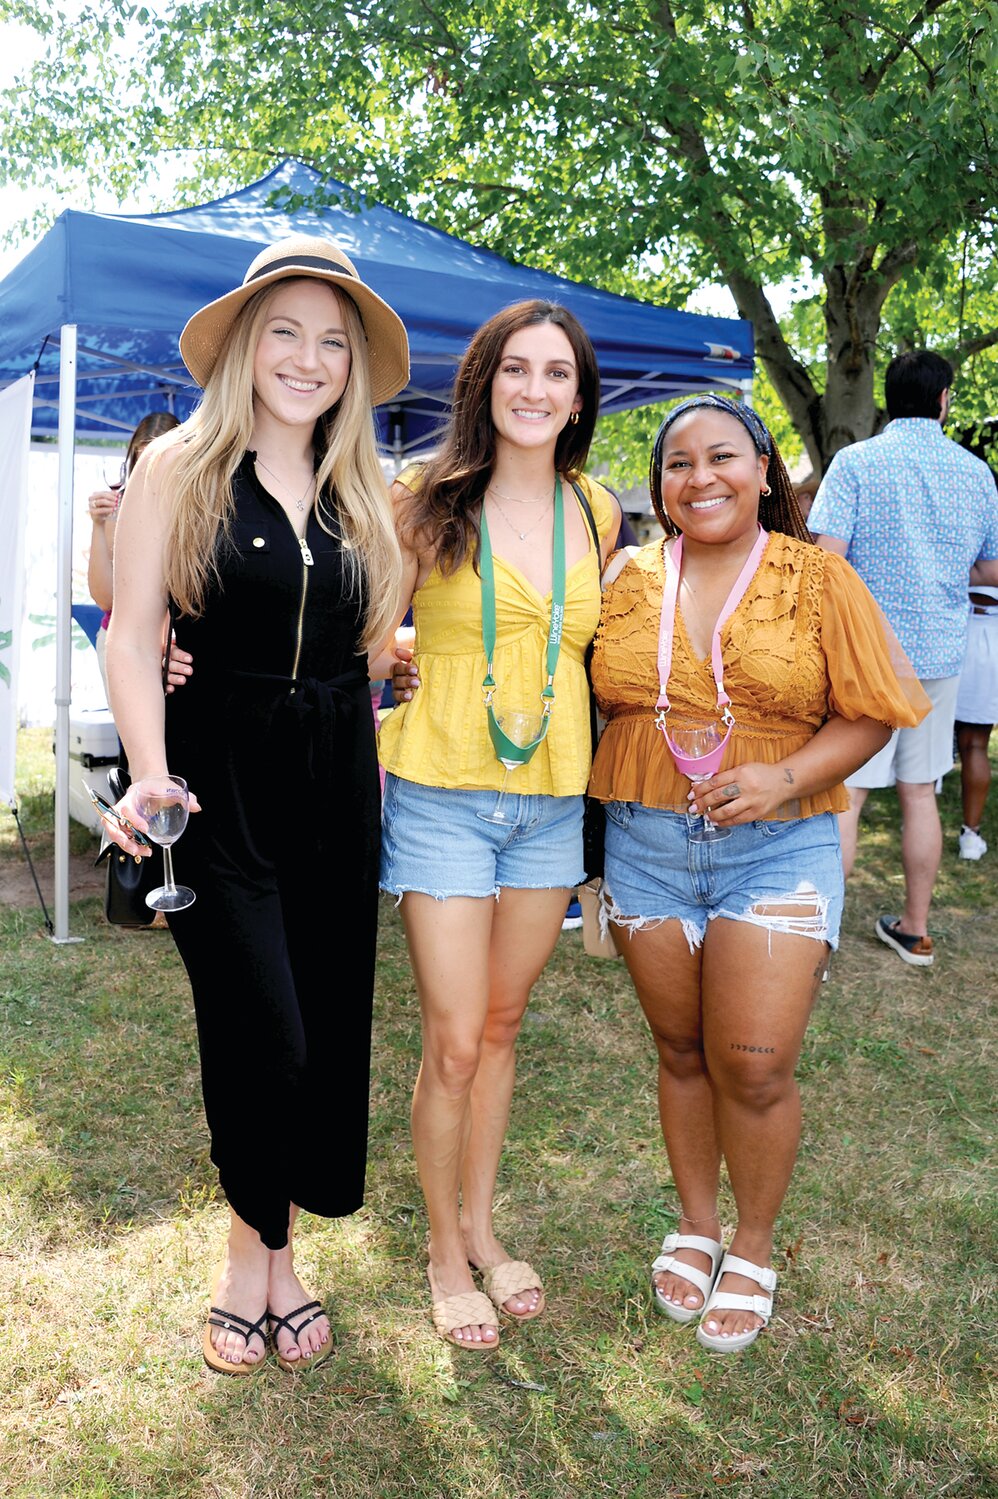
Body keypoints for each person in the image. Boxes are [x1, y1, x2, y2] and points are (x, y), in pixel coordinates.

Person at [101, 235, 410, 1374]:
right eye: (285, 329)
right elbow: (131, 635)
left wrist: (390, 663)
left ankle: (282, 1256)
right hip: (214, 774)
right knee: (261, 1028)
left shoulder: (364, 486)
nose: (309, 357)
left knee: (325, 1024)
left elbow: (371, 643)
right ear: (242, 341)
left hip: (336, 770)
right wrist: (147, 767)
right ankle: (249, 1254)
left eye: (332, 341)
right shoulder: (178, 466)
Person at [589, 394, 928, 1352]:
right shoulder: (626, 579)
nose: (702, 478)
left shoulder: (817, 579)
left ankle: (753, 1241)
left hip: (779, 843)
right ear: (658, 486)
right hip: (646, 845)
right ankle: (697, 1225)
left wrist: (784, 775)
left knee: (756, 1062)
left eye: (723, 456)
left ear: (765, 468)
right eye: (679, 463)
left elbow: (873, 709)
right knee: (682, 1051)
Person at [378, 300, 620, 1349]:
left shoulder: (598, 510)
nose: (534, 389)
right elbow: (352, 626)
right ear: (483, 382)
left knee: (501, 1026)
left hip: (551, 799)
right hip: (442, 794)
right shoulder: (422, 500)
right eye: (514, 369)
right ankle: (439, 1247)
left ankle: (482, 1223)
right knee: (451, 1038)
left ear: (578, 395)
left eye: (554, 373)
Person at [808, 351, 998, 965]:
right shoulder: (975, 473)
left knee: (848, 795)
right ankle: (915, 928)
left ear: (890, 398)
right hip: (941, 653)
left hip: (867, 655)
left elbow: (827, 560)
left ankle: (821, 938)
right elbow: (992, 567)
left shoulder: (857, 463)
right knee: (920, 793)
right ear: (943, 398)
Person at [86, 411, 185, 695]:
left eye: (158, 459)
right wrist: (98, 525)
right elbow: (106, 598)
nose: (147, 470)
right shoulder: (119, 506)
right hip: (126, 642)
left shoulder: (196, 509)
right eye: (141, 459)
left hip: (179, 645)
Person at [954, 580, 998, 859]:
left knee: (925, 734)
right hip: (988, 632)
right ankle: (970, 836)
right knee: (975, 744)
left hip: (954, 626)